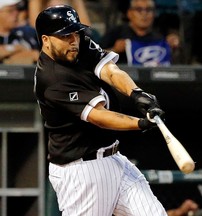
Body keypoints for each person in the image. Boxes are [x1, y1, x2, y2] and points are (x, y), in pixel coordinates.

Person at [33, 4, 169, 216]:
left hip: (114, 159)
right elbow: (99, 116)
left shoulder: (77, 45)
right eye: (65, 35)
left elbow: (109, 70)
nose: (73, 40)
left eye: (75, 33)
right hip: (80, 171)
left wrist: (136, 93)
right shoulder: (51, 78)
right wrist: (141, 123)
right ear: (46, 40)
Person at [98, 0, 181, 66]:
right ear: (129, 13)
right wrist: (114, 50)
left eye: (148, 10)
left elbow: (177, 66)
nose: (144, 14)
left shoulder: (161, 35)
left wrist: (174, 48)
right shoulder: (116, 33)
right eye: (139, 9)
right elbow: (94, 56)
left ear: (154, 13)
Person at [0, 0, 39, 64]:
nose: (16, 13)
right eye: (10, 11)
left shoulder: (26, 33)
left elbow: (36, 55)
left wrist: (6, 56)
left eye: (17, 10)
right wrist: (17, 48)